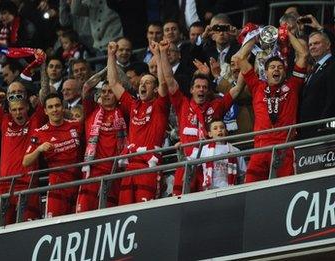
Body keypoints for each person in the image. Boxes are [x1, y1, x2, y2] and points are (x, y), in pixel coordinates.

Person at [160, 36, 244, 194]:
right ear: (191, 90)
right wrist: (163, 53)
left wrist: (243, 59)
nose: (201, 90)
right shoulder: (182, 104)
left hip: (208, 167)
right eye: (197, 87)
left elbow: (237, 89)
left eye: (205, 87)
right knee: (180, 201)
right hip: (187, 165)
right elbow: (169, 79)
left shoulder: (216, 106)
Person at [234, 28, 308, 183]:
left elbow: (303, 54)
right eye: (272, 67)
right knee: (251, 189)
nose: (276, 69)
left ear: (285, 71)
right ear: (265, 72)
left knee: (287, 188)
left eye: (280, 67)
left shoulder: (293, 86)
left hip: (285, 147)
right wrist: (254, 37)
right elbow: (240, 58)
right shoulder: (257, 86)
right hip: (261, 148)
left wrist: (286, 33)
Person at [107, 41, 169, 205]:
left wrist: (158, 55)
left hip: (149, 167)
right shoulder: (133, 104)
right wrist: (111, 55)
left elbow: (164, 83)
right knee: (125, 212)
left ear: (155, 89)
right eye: (141, 83)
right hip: (129, 168)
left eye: (148, 83)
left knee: (145, 213)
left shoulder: (159, 106)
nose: (142, 85)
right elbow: (113, 83)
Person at [0, 83, 47, 224]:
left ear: (27, 107)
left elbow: (45, 95)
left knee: (28, 229)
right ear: (9, 110)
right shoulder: (5, 120)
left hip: (28, 184)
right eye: (14, 110)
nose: (18, 112)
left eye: (21, 109)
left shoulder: (35, 121)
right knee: (3, 231)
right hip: (4, 187)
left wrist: (43, 64)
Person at [23, 93, 83, 217]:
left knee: (80, 222)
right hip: (57, 185)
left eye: (57, 106)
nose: (54, 110)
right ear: (45, 111)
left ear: (63, 107)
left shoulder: (76, 126)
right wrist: (39, 149)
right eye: (50, 107)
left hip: (79, 181)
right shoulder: (39, 133)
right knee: (55, 225)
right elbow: (25, 162)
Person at [77, 77, 127, 212]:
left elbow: (126, 84)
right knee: (84, 212)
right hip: (93, 170)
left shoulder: (123, 111)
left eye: (110, 91)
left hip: (116, 170)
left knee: (111, 212)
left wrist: (114, 71)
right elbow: (86, 86)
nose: (105, 94)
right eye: (103, 91)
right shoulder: (92, 110)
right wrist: (106, 69)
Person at [188, 120, 246, 191]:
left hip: (231, 190)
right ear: (210, 134)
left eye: (222, 128)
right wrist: (180, 151)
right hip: (210, 191)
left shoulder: (235, 150)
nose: (219, 130)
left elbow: (242, 175)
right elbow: (187, 162)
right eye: (215, 128)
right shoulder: (204, 149)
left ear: (226, 131)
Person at [298, 30, 335, 139]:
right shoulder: (314, 68)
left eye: (316, 43)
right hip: (307, 129)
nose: (312, 47)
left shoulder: (332, 66)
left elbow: (332, 98)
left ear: (328, 45)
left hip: (321, 130)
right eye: (310, 44)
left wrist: (323, 126)